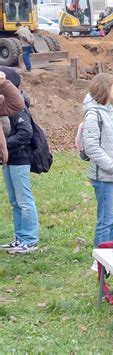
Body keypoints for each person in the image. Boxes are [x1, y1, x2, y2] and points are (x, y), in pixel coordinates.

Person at [82, 73, 113, 270]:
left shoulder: (111, 112)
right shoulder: (93, 114)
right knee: (105, 218)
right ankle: (100, 259)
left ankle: (111, 256)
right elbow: (91, 147)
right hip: (104, 176)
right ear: (104, 89)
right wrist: (111, 165)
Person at [0, 67, 39, 254]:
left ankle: (30, 239)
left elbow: (26, 132)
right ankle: (20, 237)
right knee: (15, 202)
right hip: (8, 160)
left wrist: (5, 146)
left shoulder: (19, 107)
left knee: (24, 201)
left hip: (20, 158)